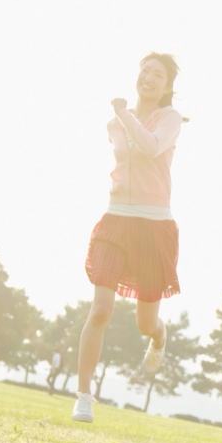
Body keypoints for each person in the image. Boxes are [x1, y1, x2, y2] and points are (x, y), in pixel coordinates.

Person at [72, 53, 184, 422]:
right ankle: (84, 395)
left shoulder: (169, 120)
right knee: (101, 309)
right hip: (117, 219)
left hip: (154, 225)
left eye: (158, 75)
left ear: (167, 87)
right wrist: (122, 116)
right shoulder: (114, 123)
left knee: (144, 323)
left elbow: (151, 147)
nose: (149, 78)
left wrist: (126, 114)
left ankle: (159, 337)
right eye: (145, 71)